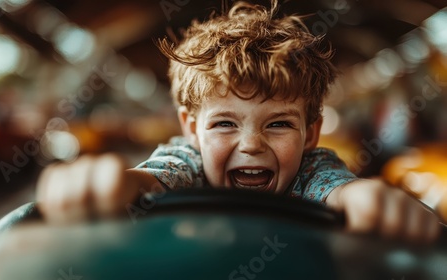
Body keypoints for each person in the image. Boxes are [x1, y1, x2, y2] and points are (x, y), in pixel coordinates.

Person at [36, 0, 441, 242]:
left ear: (310, 134)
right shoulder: (188, 162)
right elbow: (156, 177)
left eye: (279, 124)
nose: (251, 145)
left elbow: (338, 190)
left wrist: (367, 200)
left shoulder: (313, 169)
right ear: (191, 129)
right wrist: (115, 183)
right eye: (225, 124)